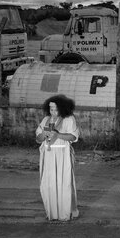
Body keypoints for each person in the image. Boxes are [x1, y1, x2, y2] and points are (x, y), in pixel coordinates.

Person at [35, 94, 80, 222]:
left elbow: (73, 137)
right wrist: (43, 135)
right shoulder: (46, 120)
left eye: (56, 109)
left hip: (63, 154)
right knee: (48, 185)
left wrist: (58, 135)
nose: (53, 112)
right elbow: (38, 139)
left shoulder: (69, 119)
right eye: (51, 109)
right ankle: (52, 213)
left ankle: (65, 214)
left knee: (64, 183)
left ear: (62, 108)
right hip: (48, 155)